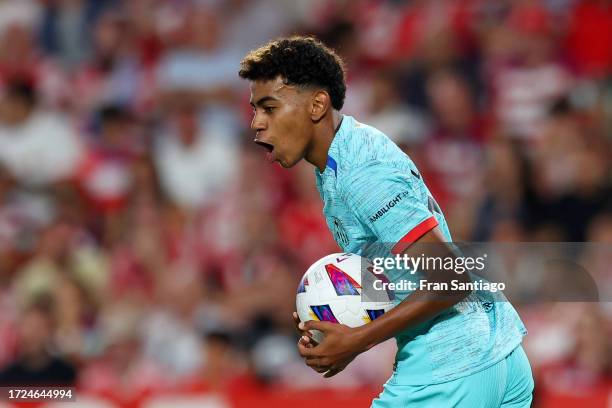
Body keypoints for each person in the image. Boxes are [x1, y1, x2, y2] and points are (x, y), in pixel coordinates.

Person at [238, 36, 533, 407]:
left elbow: (449, 278)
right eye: (254, 110)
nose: (256, 124)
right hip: (497, 353)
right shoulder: (342, 158)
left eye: (269, 108)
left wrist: (356, 341)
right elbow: (400, 272)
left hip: (452, 365)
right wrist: (342, 317)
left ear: (316, 105)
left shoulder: (361, 173)